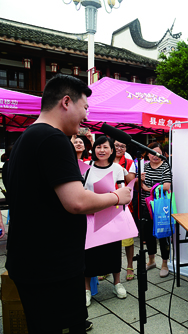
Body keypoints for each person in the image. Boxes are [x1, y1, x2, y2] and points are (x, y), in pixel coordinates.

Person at [3, 74, 132, 332]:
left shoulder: (22, 141)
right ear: (66, 102)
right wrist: (117, 197)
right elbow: (76, 201)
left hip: (28, 261)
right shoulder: (53, 139)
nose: (86, 116)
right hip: (52, 266)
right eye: (84, 107)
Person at [83, 136, 128, 305]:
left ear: (111, 150)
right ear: (94, 149)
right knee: (89, 253)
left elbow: (123, 191)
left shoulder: (117, 168)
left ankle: (117, 283)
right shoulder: (86, 167)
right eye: (98, 147)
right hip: (91, 216)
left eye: (105, 147)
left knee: (113, 251)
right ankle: (86, 289)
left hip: (111, 216)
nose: (101, 150)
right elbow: (80, 191)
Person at [141, 142, 172, 278]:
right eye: (152, 153)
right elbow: (138, 182)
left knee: (163, 236)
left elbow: (166, 186)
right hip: (145, 206)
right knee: (148, 235)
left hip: (161, 208)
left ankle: (165, 263)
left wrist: (150, 188)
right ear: (147, 154)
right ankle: (151, 260)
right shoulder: (144, 167)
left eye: (158, 153)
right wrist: (141, 184)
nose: (155, 156)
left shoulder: (165, 166)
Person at [114, 140, 137, 281]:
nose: (119, 148)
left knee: (127, 238)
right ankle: (106, 266)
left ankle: (129, 266)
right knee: (107, 239)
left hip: (124, 205)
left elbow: (131, 180)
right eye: (116, 145)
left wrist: (122, 169)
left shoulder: (129, 161)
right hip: (107, 202)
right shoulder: (105, 159)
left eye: (122, 146)